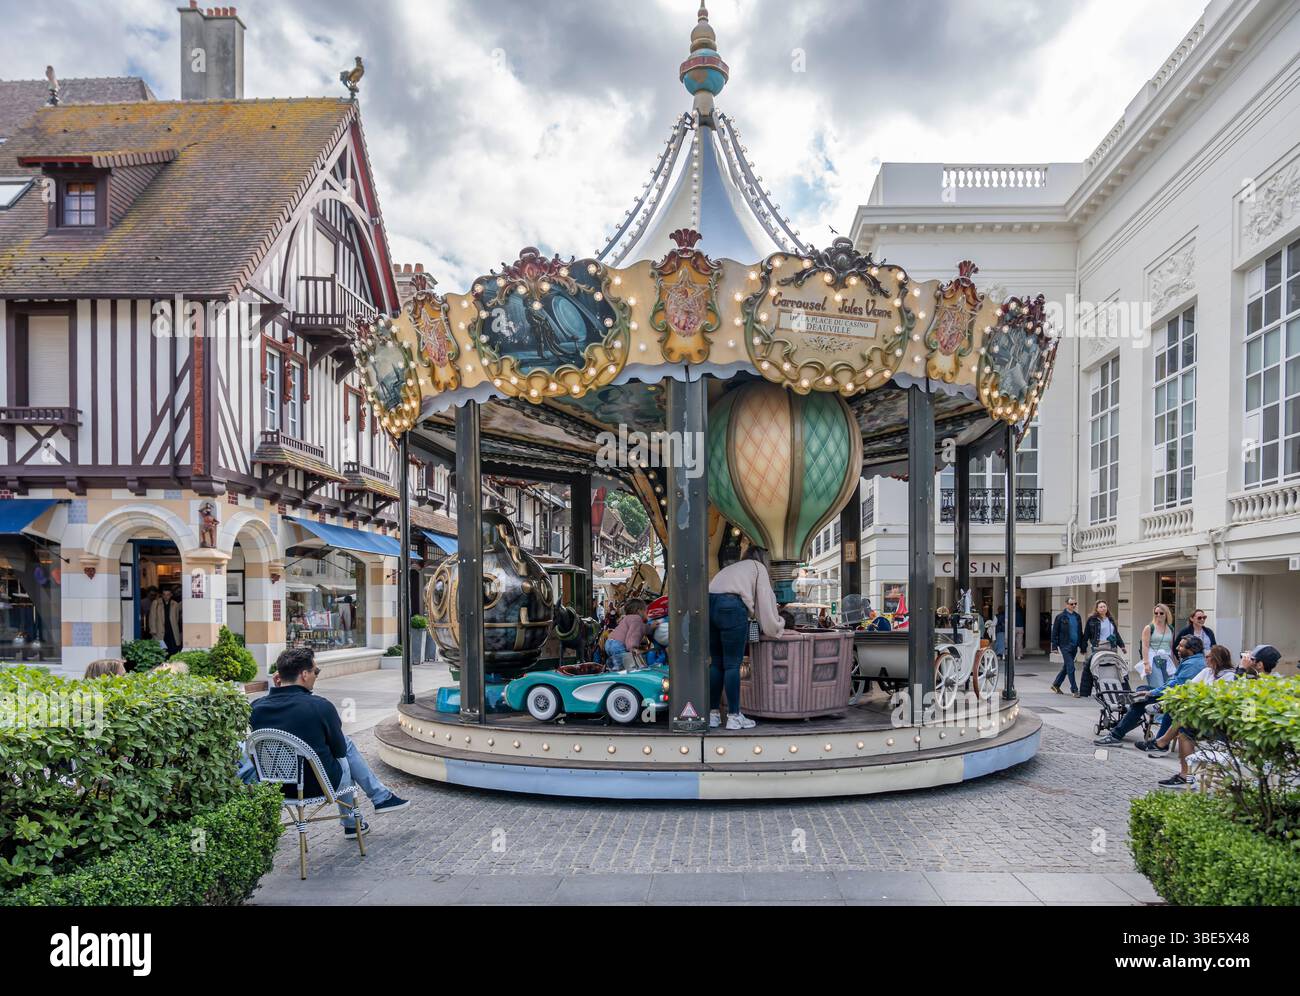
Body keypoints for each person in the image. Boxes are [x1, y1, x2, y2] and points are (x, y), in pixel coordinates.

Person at [249, 647, 409, 837]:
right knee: (345, 751)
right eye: (316, 671)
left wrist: (275, 690)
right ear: (304, 674)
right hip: (318, 785)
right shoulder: (320, 706)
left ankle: (376, 801)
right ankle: (359, 817)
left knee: (342, 751)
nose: (316, 676)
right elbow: (339, 751)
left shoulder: (256, 708)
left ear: (279, 676)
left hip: (274, 787)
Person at [707, 545, 784, 730]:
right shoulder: (758, 568)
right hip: (732, 607)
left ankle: (713, 715)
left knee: (716, 663)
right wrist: (777, 625)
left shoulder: (733, 568)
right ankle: (734, 716)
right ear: (763, 558)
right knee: (733, 664)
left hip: (709, 604)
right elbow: (765, 601)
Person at [1094, 635, 1205, 747]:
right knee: (1142, 691)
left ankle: (1116, 734)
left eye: (1181, 646)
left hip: (1177, 698)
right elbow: (1173, 683)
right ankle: (1130, 709)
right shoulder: (1193, 660)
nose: (1177, 648)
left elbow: (1175, 685)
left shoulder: (1193, 664)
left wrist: (1152, 693)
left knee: (1141, 701)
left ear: (1192, 650)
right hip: (1175, 695)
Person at [1154, 645, 1237, 788]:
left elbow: (1218, 700)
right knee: (1184, 728)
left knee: (1184, 723)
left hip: (1218, 724)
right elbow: (1188, 688)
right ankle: (1185, 775)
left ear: (1216, 659)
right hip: (1202, 719)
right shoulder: (1207, 672)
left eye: (1208, 656)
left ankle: (1162, 743)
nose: (1205, 658)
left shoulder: (1230, 676)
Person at [1079, 599, 1125, 698]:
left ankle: (1117, 688)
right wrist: (1083, 648)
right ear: (1097, 609)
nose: (1103, 608)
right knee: (1093, 666)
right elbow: (1086, 634)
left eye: (1104, 606)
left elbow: (1116, 634)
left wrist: (1122, 645)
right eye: (1100, 607)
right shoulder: (1092, 620)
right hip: (1098, 646)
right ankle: (1085, 691)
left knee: (1113, 666)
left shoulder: (1111, 619)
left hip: (1111, 646)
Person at [1049, 597, 1085, 695]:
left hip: (1074, 646)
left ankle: (1056, 684)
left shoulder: (1077, 617)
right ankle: (1074, 689)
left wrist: (1082, 647)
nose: (1073, 606)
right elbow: (1055, 632)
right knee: (1071, 667)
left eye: (1075, 604)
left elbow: (1080, 632)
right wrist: (1054, 647)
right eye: (1071, 604)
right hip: (1064, 645)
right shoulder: (1060, 617)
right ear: (1066, 605)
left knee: (1066, 667)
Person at [1139, 603, 1176, 690]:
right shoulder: (1149, 627)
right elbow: (1145, 646)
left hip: (1167, 659)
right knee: (1157, 686)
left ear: (1166, 614)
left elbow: (1171, 647)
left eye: (1161, 613)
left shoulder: (1170, 628)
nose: (1158, 615)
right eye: (1156, 613)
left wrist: (1175, 662)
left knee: (1169, 686)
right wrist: (1146, 663)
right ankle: (1156, 703)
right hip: (1153, 659)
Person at [604, 599, 646, 671]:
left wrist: (651, 627)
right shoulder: (637, 618)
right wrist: (633, 648)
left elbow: (642, 628)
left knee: (616, 665)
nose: (645, 613)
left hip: (609, 643)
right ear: (639, 611)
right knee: (623, 669)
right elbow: (633, 635)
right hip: (618, 645)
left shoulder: (626, 618)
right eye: (644, 610)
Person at [149, 588, 182, 657]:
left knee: (173, 650)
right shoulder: (156, 603)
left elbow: (177, 618)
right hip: (160, 631)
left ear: (171, 595)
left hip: (172, 631)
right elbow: (152, 618)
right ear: (161, 595)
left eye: (168, 595)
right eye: (164, 594)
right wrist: (153, 630)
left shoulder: (175, 604)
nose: (166, 596)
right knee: (161, 650)